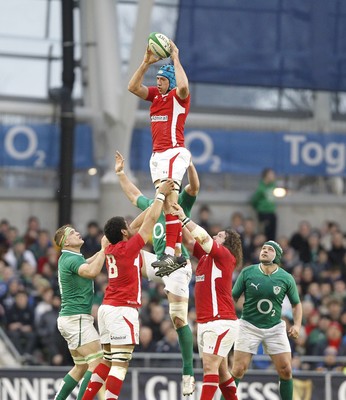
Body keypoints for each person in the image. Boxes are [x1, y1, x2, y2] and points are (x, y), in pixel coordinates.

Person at [81, 179, 175, 400]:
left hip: (106, 308)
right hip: (123, 309)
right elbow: (150, 221)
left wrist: (152, 202)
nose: (130, 227)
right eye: (127, 225)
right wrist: (160, 196)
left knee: (106, 361)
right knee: (120, 365)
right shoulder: (129, 248)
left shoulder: (109, 245)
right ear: (124, 232)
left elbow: (135, 225)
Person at [114, 150, 198, 395]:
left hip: (177, 264)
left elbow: (194, 187)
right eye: (160, 183)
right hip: (159, 263)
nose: (161, 185)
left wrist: (190, 164)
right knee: (125, 254)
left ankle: (188, 372)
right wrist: (120, 173)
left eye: (164, 181)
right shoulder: (154, 206)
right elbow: (133, 195)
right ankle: (123, 302)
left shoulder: (180, 203)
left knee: (178, 317)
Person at [128, 38, 191, 272]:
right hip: (157, 157)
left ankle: (170, 253)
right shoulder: (155, 96)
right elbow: (133, 87)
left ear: (171, 81)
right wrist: (145, 63)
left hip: (175, 152)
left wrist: (175, 58)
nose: (159, 83)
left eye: (163, 80)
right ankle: (173, 254)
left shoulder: (179, 96)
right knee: (167, 206)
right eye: (158, 80)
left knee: (171, 201)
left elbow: (184, 87)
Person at [172, 202, 242, 400]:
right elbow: (188, 242)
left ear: (226, 244)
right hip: (206, 322)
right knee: (222, 373)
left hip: (221, 320)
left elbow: (202, 237)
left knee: (210, 367)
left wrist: (185, 218)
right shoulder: (205, 257)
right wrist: (177, 219)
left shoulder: (225, 256)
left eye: (219, 236)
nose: (214, 236)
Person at [231, 240, 302, 400]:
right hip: (248, 325)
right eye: (263, 248)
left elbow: (296, 304)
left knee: (286, 370)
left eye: (270, 249)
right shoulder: (248, 272)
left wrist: (297, 325)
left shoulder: (286, 278)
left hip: (274, 327)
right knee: (238, 370)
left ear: (277, 256)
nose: (264, 251)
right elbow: (232, 298)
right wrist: (228, 319)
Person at [53, 225, 110, 400]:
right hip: (76, 319)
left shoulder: (71, 257)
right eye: (72, 233)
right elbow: (92, 271)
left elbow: (88, 262)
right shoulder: (71, 259)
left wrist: (102, 252)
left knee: (81, 367)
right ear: (66, 242)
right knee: (98, 364)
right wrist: (103, 250)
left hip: (71, 319)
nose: (77, 233)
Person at [250, 168, 277, 240]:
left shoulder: (273, 185)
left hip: (272, 212)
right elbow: (254, 200)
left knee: (272, 235)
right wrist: (259, 208)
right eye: (271, 174)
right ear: (266, 175)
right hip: (264, 213)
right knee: (264, 234)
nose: (273, 176)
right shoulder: (261, 188)